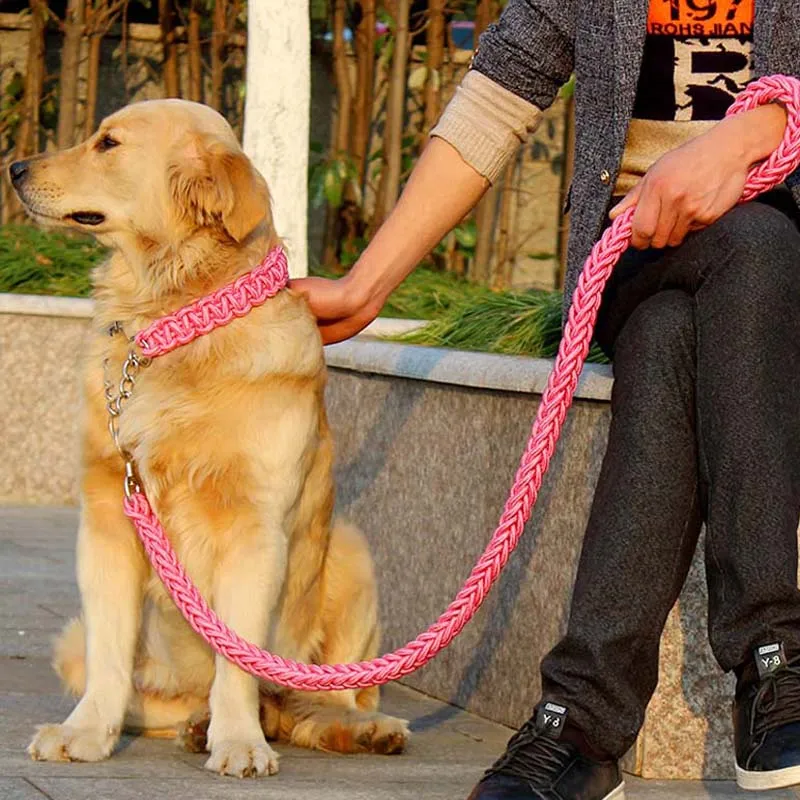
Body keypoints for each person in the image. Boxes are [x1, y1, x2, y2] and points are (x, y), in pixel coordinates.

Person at [292, 2, 800, 798]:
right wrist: (367, 284)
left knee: (698, 310)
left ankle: (580, 723)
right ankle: (776, 661)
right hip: (637, 252)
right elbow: (499, 92)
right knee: (743, 255)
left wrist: (757, 130)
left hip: (779, 258)